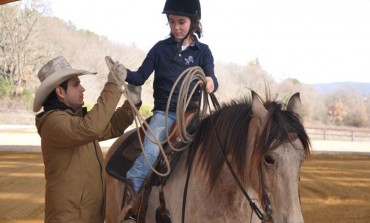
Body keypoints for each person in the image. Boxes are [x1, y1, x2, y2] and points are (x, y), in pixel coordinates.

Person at [117, 0, 219, 220]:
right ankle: (130, 208)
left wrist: (210, 81)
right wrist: (124, 73)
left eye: (181, 22)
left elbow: (212, 77)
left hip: (192, 114)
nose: (176, 27)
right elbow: (140, 76)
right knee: (149, 155)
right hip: (165, 113)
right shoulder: (160, 49)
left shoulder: (203, 52)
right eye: (171, 22)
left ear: (193, 22)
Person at [33, 56, 141, 223]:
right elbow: (92, 128)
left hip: (87, 216)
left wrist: (132, 102)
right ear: (60, 92)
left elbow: (111, 126)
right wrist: (112, 86)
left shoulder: (75, 122)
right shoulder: (53, 122)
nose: (82, 89)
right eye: (76, 85)